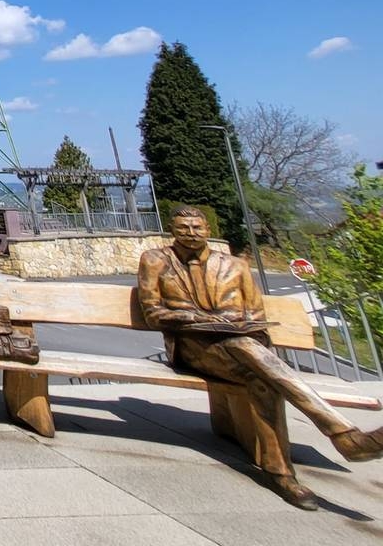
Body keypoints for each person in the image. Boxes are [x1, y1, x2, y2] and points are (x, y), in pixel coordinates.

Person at [137, 207, 383, 508]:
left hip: (242, 347)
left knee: (261, 378)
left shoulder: (234, 265)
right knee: (252, 356)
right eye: (183, 228)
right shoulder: (155, 260)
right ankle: (345, 437)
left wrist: (237, 324)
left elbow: (255, 313)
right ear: (172, 230)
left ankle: (281, 475)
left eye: (197, 227)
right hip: (193, 347)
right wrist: (194, 316)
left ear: (207, 229)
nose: (191, 233)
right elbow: (153, 314)